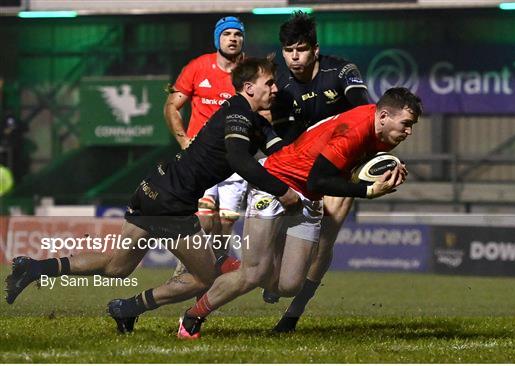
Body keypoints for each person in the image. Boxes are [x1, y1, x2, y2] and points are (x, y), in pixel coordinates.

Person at [5, 57, 300, 334]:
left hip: (154, 187)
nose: (275, 89)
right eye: (270, 83)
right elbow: (238, 159)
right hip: (172, 202)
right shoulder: (238, 112)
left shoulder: (255, 121)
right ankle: (129, 307)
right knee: (204, 277)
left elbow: (286, 154)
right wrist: (282, 192)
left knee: (117, 266)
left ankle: (34, 267)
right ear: (249, 88)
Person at [177, 87, 423, 339]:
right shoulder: (355, 129)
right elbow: (319, 181)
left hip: (308, 197)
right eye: (405, 124)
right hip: (276, 184)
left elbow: (337, 173)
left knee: (289, 284)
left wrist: (384, 170)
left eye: (412, 125)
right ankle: (193, 317)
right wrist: (369, 190)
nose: (409, 131)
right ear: (383, 116)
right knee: (253, 275)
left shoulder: (381, 131)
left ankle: (227, 265)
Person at [264, 11, 373, 332]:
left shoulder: (341, 70)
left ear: (315, 49)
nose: (294, 57)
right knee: (280, 227)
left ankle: (292, 316)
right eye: (288, 50)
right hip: (298, 164)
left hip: (340, 165)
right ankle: (274, 277)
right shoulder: (279, 82)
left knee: (325, 239)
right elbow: (273, 127)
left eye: (300, 49)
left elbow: (363, 109)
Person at [164, 16, 247, 262]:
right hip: (201, 158)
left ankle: (213, 275)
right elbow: (171, 106)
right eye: (227, 34)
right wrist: (184, 142)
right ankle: (188, 271)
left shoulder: (252, 71)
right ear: (217, 38)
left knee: (226, 225)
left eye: (238, 34)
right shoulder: (197, 67)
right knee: (204, 219)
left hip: (235, 159)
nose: (233, 38)